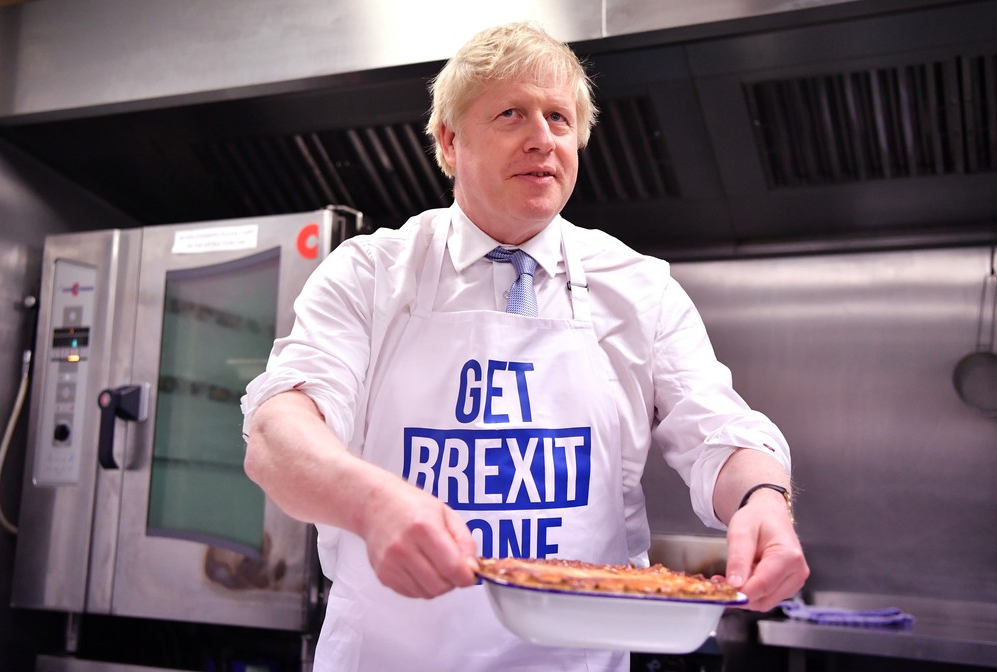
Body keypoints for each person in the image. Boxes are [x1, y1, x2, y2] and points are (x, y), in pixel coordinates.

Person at [241, 21, 808, 672]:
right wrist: (369, 502)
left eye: (559, 119)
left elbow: (719, 431)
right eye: (512, 113)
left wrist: (765, 500)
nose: (542, 138)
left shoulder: (638, 286)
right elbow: (278, 437)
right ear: (450, 142)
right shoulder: (371, 274)